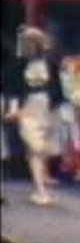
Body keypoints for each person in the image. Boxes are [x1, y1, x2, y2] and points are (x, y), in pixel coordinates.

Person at [4, 26, 64, 206]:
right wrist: (13, 109)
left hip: (47, 107)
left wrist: (59, 107)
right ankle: (40, 189)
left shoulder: (51, 63)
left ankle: (40, 187)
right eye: (26, 43)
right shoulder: (18, 65)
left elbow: (59, 87)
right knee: (35, 147)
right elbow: (14, 90)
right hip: (28, 108)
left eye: (32, 43)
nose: (28, 47)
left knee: (42, 150)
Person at [57, 60, 80, 184]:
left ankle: (77, 171)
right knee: (67, 141)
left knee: (75, 141)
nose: (70, 67)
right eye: (67, 65)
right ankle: (70, 169)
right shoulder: (61, 80)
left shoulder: (75, 79)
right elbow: (71, 95)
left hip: (73, 114)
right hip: (64, 112)